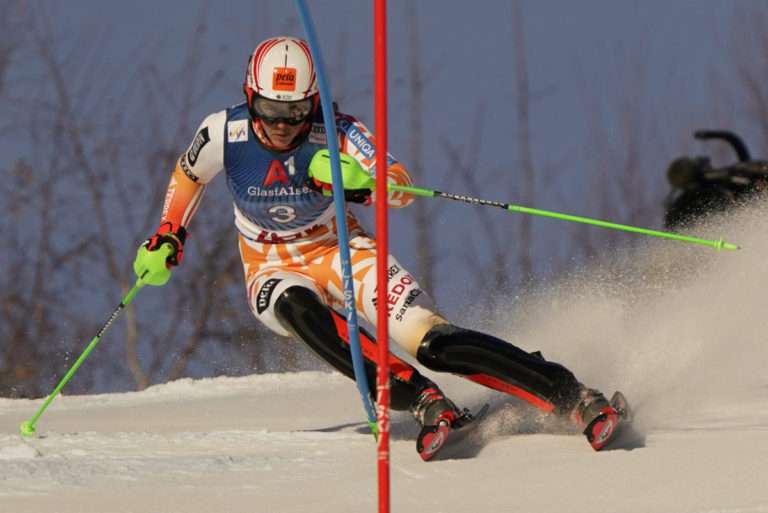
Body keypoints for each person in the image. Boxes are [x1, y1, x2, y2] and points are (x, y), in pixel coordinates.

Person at [134, 36, 625, 460]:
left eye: (295, 113)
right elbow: (189, 173)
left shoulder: (339, 130)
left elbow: (401, 186)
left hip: (344, 249)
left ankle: (572, 395)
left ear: (312, 105)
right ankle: (422, 400)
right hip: (271, 263)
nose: (282, 126)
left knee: (431, 341)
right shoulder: (223, 131)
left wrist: (359, 184)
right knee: (298, 310)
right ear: (250, 99)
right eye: (270, 111)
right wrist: (169, 232)